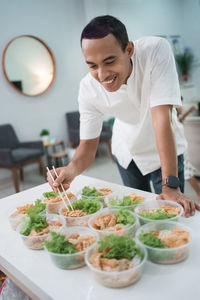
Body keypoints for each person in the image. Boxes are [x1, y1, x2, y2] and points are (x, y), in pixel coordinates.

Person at [47, 15, 200, 217]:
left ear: (129, 50)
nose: (102, 75)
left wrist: (170, 186)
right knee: (136, 213)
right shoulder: (87, 89)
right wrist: (71, 169)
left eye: (109, 61)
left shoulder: (155, 50)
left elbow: (161, 119)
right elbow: (87, 146)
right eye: (92, 65)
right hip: (127, 153)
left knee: (171, 214)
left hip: (166, 152)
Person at [176, 103, 200, 200]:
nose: (182, 107)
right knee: (188, 173)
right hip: (178, 152)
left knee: (188, 172)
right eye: (180, 106)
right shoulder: (174, 119)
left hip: (182, 151)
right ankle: (199, 192)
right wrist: (189, 110)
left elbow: (182, 117)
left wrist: (189, 110)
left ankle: (198, 192)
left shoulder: (178, 119)